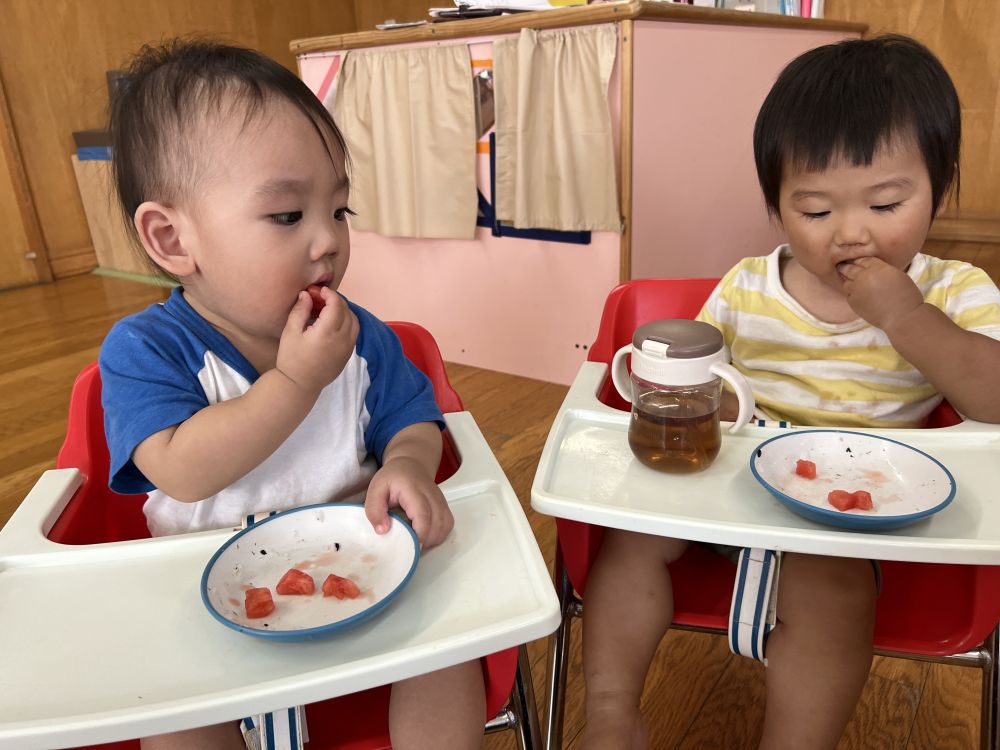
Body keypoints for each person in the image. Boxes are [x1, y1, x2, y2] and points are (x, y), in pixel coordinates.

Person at [581, 34, 1000, 750]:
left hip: (851, 511)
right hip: (728, 481)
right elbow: (701, 384)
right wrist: (691, 405)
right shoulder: (746, 287)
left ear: (941, 185)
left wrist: (904, 316)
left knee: (832, 595)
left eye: (887, 202)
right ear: (777, 204)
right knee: (630, 539)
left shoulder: (953, 291)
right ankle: (612, 714)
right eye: (815, 211)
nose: (851, 234)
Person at [99, 39, 484, 750]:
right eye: (287, 217)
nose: (327, 242)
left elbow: (415, 417)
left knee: (448, 649)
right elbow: (184, 469)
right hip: (200, 597)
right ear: (172, 239)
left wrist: (405, 464)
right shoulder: (146, 351)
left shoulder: (359, 336)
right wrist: (298, 381)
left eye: (339, 210)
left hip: (363, 572)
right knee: (170, 712)